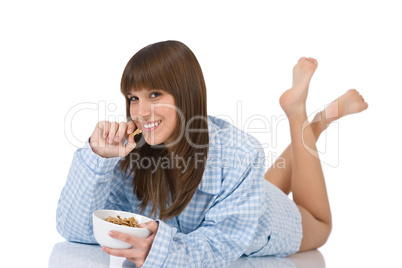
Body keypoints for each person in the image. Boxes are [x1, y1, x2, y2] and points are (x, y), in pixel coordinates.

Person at [56, 40, 368, 267]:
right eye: (133, 98)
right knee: (265, 184)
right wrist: (98, 158)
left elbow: (223, 243)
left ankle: (308, 117)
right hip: (243, 196)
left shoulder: (239, 153)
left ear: (186, 93)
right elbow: (76, 232)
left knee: (320, 222)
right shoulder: (129, 154)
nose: (140, 111)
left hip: (265, 221)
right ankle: (311, 120)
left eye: (154, 94)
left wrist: (160, 251)